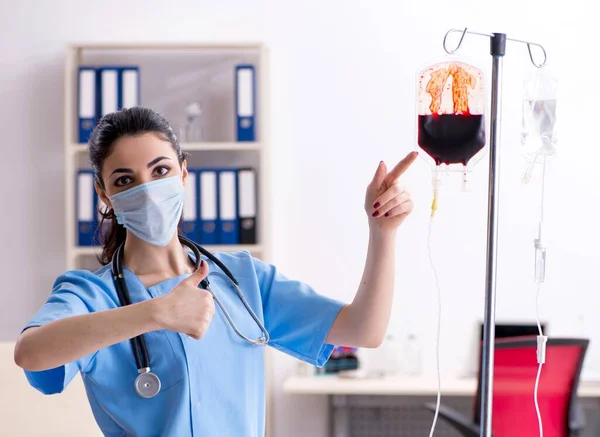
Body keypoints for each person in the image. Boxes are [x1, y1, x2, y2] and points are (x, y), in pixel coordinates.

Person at [13, 107, 417, 437]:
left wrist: (382, 232)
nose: (148, 190)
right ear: (104, 193)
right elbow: (30, 353)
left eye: (160, 171)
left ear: (184, 172)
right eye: (125, 180)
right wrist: (154, 314)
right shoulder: (90, 296)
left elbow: (365, 330)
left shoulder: (241, 278)